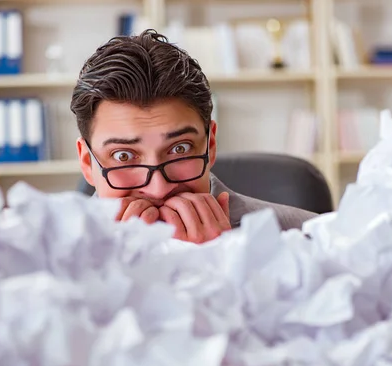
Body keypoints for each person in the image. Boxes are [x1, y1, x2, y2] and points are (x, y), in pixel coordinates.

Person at [71, 29, 317, 244]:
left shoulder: (310, 238)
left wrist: (222, 261)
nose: (158, 189)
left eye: (179, 149)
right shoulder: (48, 258)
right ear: (86, 163)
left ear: (209, 146)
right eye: (123, 155)